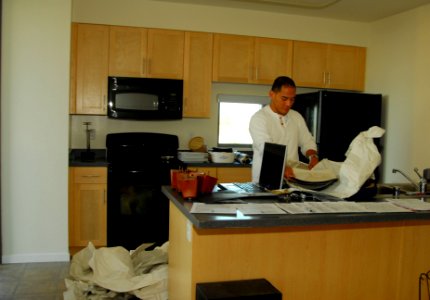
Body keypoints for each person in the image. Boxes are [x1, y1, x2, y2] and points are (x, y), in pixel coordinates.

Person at [249, 76, 319, 183]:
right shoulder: (259, 118)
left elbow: (307, 141)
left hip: (292, 180)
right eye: (284, 98)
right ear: (272, 94)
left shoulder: (296, 117)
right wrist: (283, 167)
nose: (289, 104)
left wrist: (313, 157)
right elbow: (266, 148)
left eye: (292, 99)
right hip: (265, 181)